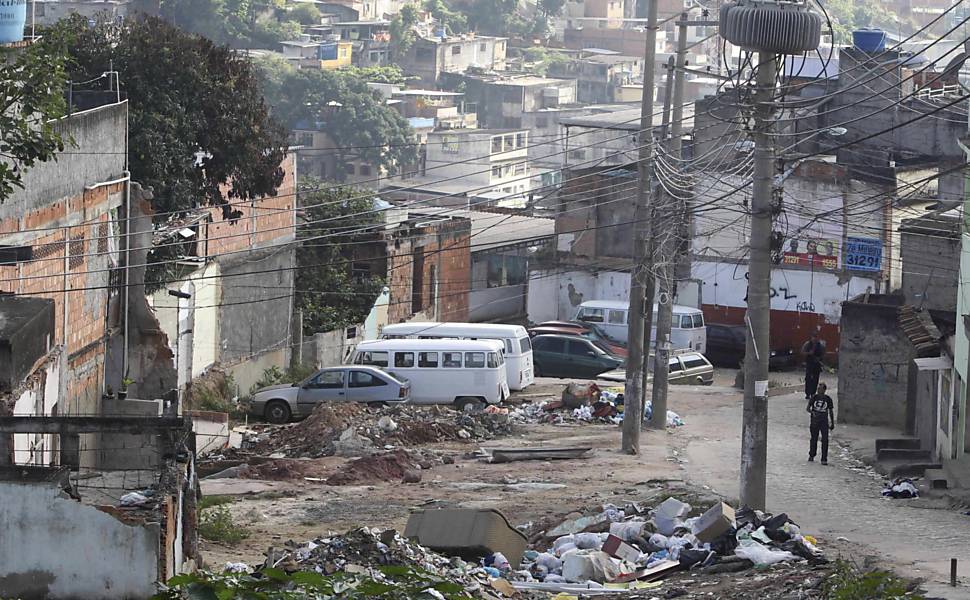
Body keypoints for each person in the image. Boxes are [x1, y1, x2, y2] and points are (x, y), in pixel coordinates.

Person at [807, 382, 835, 464]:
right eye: (818, 389)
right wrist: (812, 412)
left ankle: (824, 458)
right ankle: (812, 455)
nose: (818, 390)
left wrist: (832, 422)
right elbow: (808, 408)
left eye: (820, 389)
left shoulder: (828, 399)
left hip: (824, 422)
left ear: (824, 390)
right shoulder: (814, 398)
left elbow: (831, 411)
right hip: (815, 421)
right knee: (814, 439)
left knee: (825, 440)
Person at [801, 333, 825, 399]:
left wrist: (819, 359)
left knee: (815, 379)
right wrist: (809, 353)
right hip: (809, 364)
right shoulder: (807, 344)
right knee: (808, 379)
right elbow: (802, 352)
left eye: (816, 337)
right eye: (813, 337)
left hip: (817, 365)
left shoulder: (820, 345)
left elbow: (823, 354)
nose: (814, 339)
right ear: (811, 337)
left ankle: (813, 393)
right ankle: (808, 393)